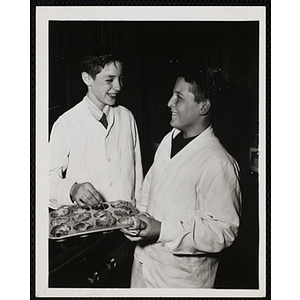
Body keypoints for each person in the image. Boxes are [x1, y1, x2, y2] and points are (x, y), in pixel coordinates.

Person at [123, 65, 242, 288]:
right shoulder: (170, 139)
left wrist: (162, 230)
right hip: (143, 268)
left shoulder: (219, 162)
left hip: (180, 281)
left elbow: (223, 231)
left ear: (204, 106)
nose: (169, 102)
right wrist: (139, 219)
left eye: (178, 97)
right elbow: (149, 188)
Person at [49, 53, 143, 209]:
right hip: (88, 224)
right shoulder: (66, 123)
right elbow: (46, 180)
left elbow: (138, 174)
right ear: (87, 79)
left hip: (126, 222)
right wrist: (72, 189)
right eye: (109, 80)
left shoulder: (126, 116)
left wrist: (140, 212)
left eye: (120, 78)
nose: (118, 86)